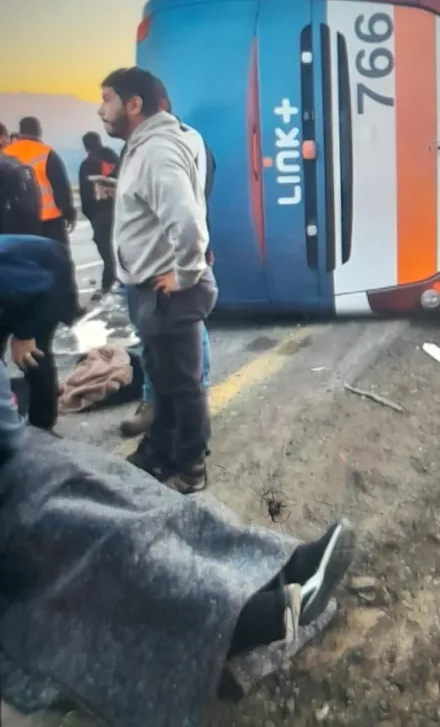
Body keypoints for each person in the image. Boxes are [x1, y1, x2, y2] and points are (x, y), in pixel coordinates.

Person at [0, 261, 355, 725]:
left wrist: (25, 327)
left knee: (137, 490)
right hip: (15, 479)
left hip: (20, 455)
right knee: (111, 538)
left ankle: (276, 568)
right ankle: (252, 617)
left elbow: (34, 256)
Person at [99, 66, 217, 493]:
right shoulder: (147, 145)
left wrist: (186, 274)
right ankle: (159, 453)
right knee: (164, 378)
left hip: (169, 289)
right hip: (153, 287)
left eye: (107, 99)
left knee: (182, 386)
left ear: (135, 105)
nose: (100, 110)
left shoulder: (156, 150)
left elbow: (187, 221)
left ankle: (189, 468)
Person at [119, 83, 216, 440]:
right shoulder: (144, 150)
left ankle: (187, 425)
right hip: (149, 266)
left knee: (184, 358)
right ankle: (162, 418)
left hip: (174, 264)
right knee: (155, 348)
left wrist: (193, 263)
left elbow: (194, 208)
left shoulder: (180, 146)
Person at [0, 234, 79, 433]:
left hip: (46, 281)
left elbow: (40, 290)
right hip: (17, 290)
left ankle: (43, 425)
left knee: (32, 355)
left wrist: (25, 334)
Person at [3, 116, 77, 243]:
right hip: (49, 220)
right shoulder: (47, 153)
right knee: (56, 259)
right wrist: (69, 213)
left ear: (20, 133)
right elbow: (61, 187)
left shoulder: (4, 154)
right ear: (38, 132)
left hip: (18, 222)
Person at [78, 131, 120, 301]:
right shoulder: (115, 159)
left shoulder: (87, 164)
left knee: (106, 250)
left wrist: (90, 215)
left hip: (100, 214)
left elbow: (85, 195)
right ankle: (121, 281)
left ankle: (108, 284)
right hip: (118, 210)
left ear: (86, 146)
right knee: (118, 248)